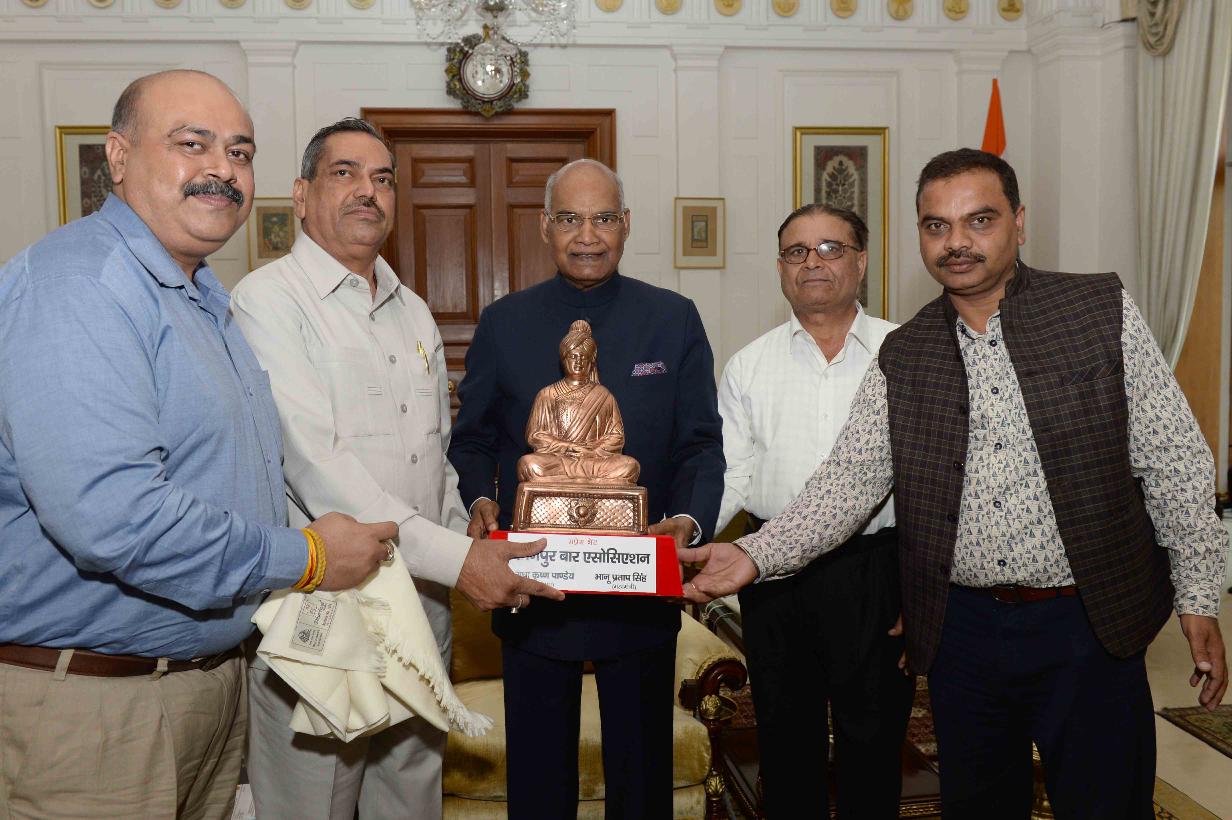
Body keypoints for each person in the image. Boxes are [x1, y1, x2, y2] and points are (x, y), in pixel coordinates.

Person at [684, 148, 1228, 819]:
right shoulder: (906, 354)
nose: (957, 242)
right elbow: (847, 481)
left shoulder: (1095, 311)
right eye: (936, 226)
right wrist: (753, 554)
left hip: (1088, 623)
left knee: (1105, 805)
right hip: (963, 635)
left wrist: (1198, 594)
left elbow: (1173, 457)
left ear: (1018, 223)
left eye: (979, 220)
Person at [0, 70, 395, 819]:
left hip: (200, 687)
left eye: (239, 153)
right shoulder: (81, 286)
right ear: (118, 157)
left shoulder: (203, 297)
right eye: (192, 144)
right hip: (91, 706)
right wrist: (308, 557)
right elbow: (114, 519)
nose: (222, 169)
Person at [230, 117, 562, 820]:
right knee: (313, 803)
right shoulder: (267, 300)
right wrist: (461, 561)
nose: (368, 191)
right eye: (344, 173)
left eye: (382, 178)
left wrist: (466, 532)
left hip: (422, 604)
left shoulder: (411, 309)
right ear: (301, 194)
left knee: (410, 798)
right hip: (325, 608)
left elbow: (432, 454)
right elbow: (315, 465)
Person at [448, 158, 725, 820]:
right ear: (546, 227)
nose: (587, 235)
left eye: (602, 218)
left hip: (636, 577)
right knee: (539, 779)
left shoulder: (673, 318)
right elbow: (473, 439)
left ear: (625, 224)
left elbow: (700, 444)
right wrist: (480, 499)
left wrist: (686, 521)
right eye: (570, 218)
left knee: (643, 776)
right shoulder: (505, 322)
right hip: (537, 581)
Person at [715, 203, 912, 818]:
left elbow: (935, 484)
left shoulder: (907, 353)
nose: (812, 263)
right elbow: (732, 476)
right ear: (780, 268)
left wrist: (922, 587)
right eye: (796, 252)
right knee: (784, 742)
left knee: (874, 742)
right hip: (773, 576)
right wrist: (679, 534)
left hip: (876, 570)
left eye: (830, 248)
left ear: (861, 261)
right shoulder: (748, 365)